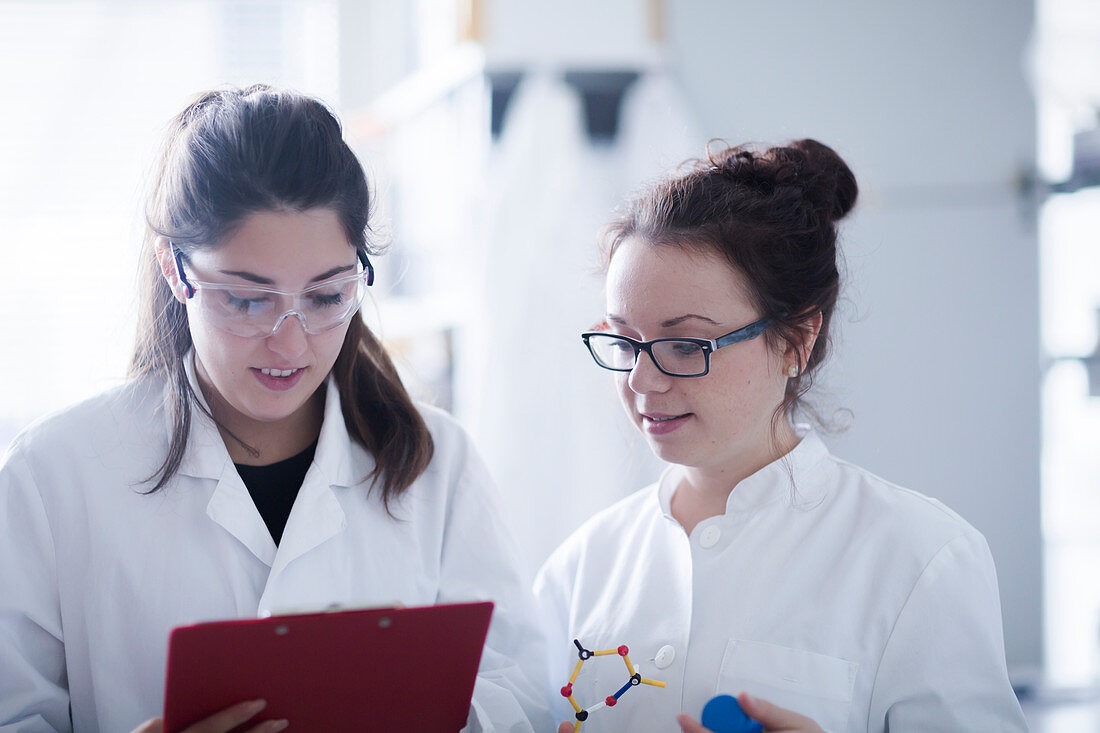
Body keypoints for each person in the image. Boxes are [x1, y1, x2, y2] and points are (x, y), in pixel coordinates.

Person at [0, 85, 550, 733]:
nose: (289, 342)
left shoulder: (437, 461)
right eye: (246, 299)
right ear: (176, 270)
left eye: (326, 296)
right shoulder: (53, 474)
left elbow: (527, 694)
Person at [533, 140, 1028, 732]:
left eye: (685, 344)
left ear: (797, 340)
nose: (642, 380)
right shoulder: (582, 567)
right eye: (624, 340)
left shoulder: (921, 558)